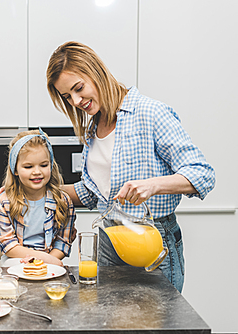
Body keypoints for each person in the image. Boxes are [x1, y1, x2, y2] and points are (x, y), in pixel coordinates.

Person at [46, 41, 215, 292]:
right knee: (109, 326)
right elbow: (95, 193)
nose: (77, 101)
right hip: (109, 241)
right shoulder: (93, 129)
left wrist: (152, 186)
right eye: (68, 96)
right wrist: (37, 190)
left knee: (156, 326)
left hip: (152, 240)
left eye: (78, 88)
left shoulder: (150, 112)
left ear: (96, 71)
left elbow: (203, 174)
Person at [0, 128, 76, 267]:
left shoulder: (63, 201)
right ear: (15, 169)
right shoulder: (4, 201)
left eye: (44, 165)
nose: (37, 172)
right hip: (15, 262)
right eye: (28, 166)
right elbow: (8, 245)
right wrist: (41, 259)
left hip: (51, 265)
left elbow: (63, 241)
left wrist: (46, 262)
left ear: (51, 165)